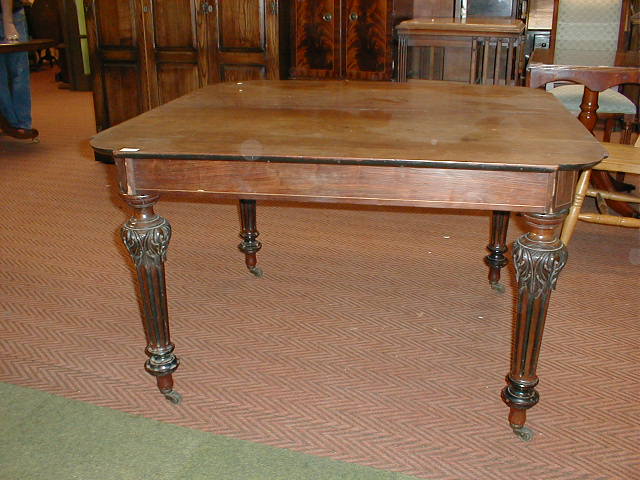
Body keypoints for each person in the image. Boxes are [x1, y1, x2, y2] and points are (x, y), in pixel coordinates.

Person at [0, 0, 38, 139]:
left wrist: (8, 22)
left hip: (14, 16)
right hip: (13, 16)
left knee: (18, 72)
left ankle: (21, 123)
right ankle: (11, 121)